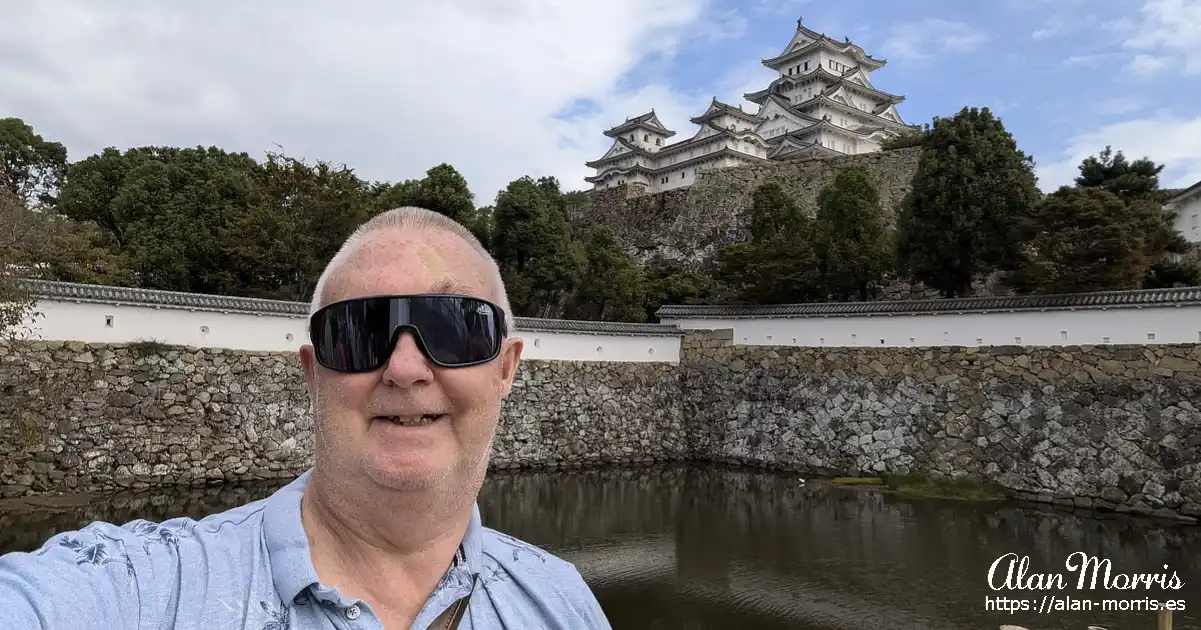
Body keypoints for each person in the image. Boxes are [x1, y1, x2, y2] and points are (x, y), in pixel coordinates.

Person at [0, 207, 613, 629]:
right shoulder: (149, 587)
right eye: (356, 333)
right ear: (312, 371)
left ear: (506, 368)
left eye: (453, 329)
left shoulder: (558, 600)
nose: (404, 368)